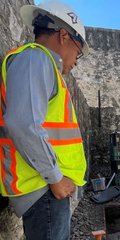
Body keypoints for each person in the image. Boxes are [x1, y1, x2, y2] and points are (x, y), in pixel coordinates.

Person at [0, 1, 89, 239]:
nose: (76, 61)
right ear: (63, 35)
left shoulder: (41, 64)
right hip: (45, 189)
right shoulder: (36, 59)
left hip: (48, 189)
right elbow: (22, 123)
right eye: (78, 52)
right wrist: (56, 178)